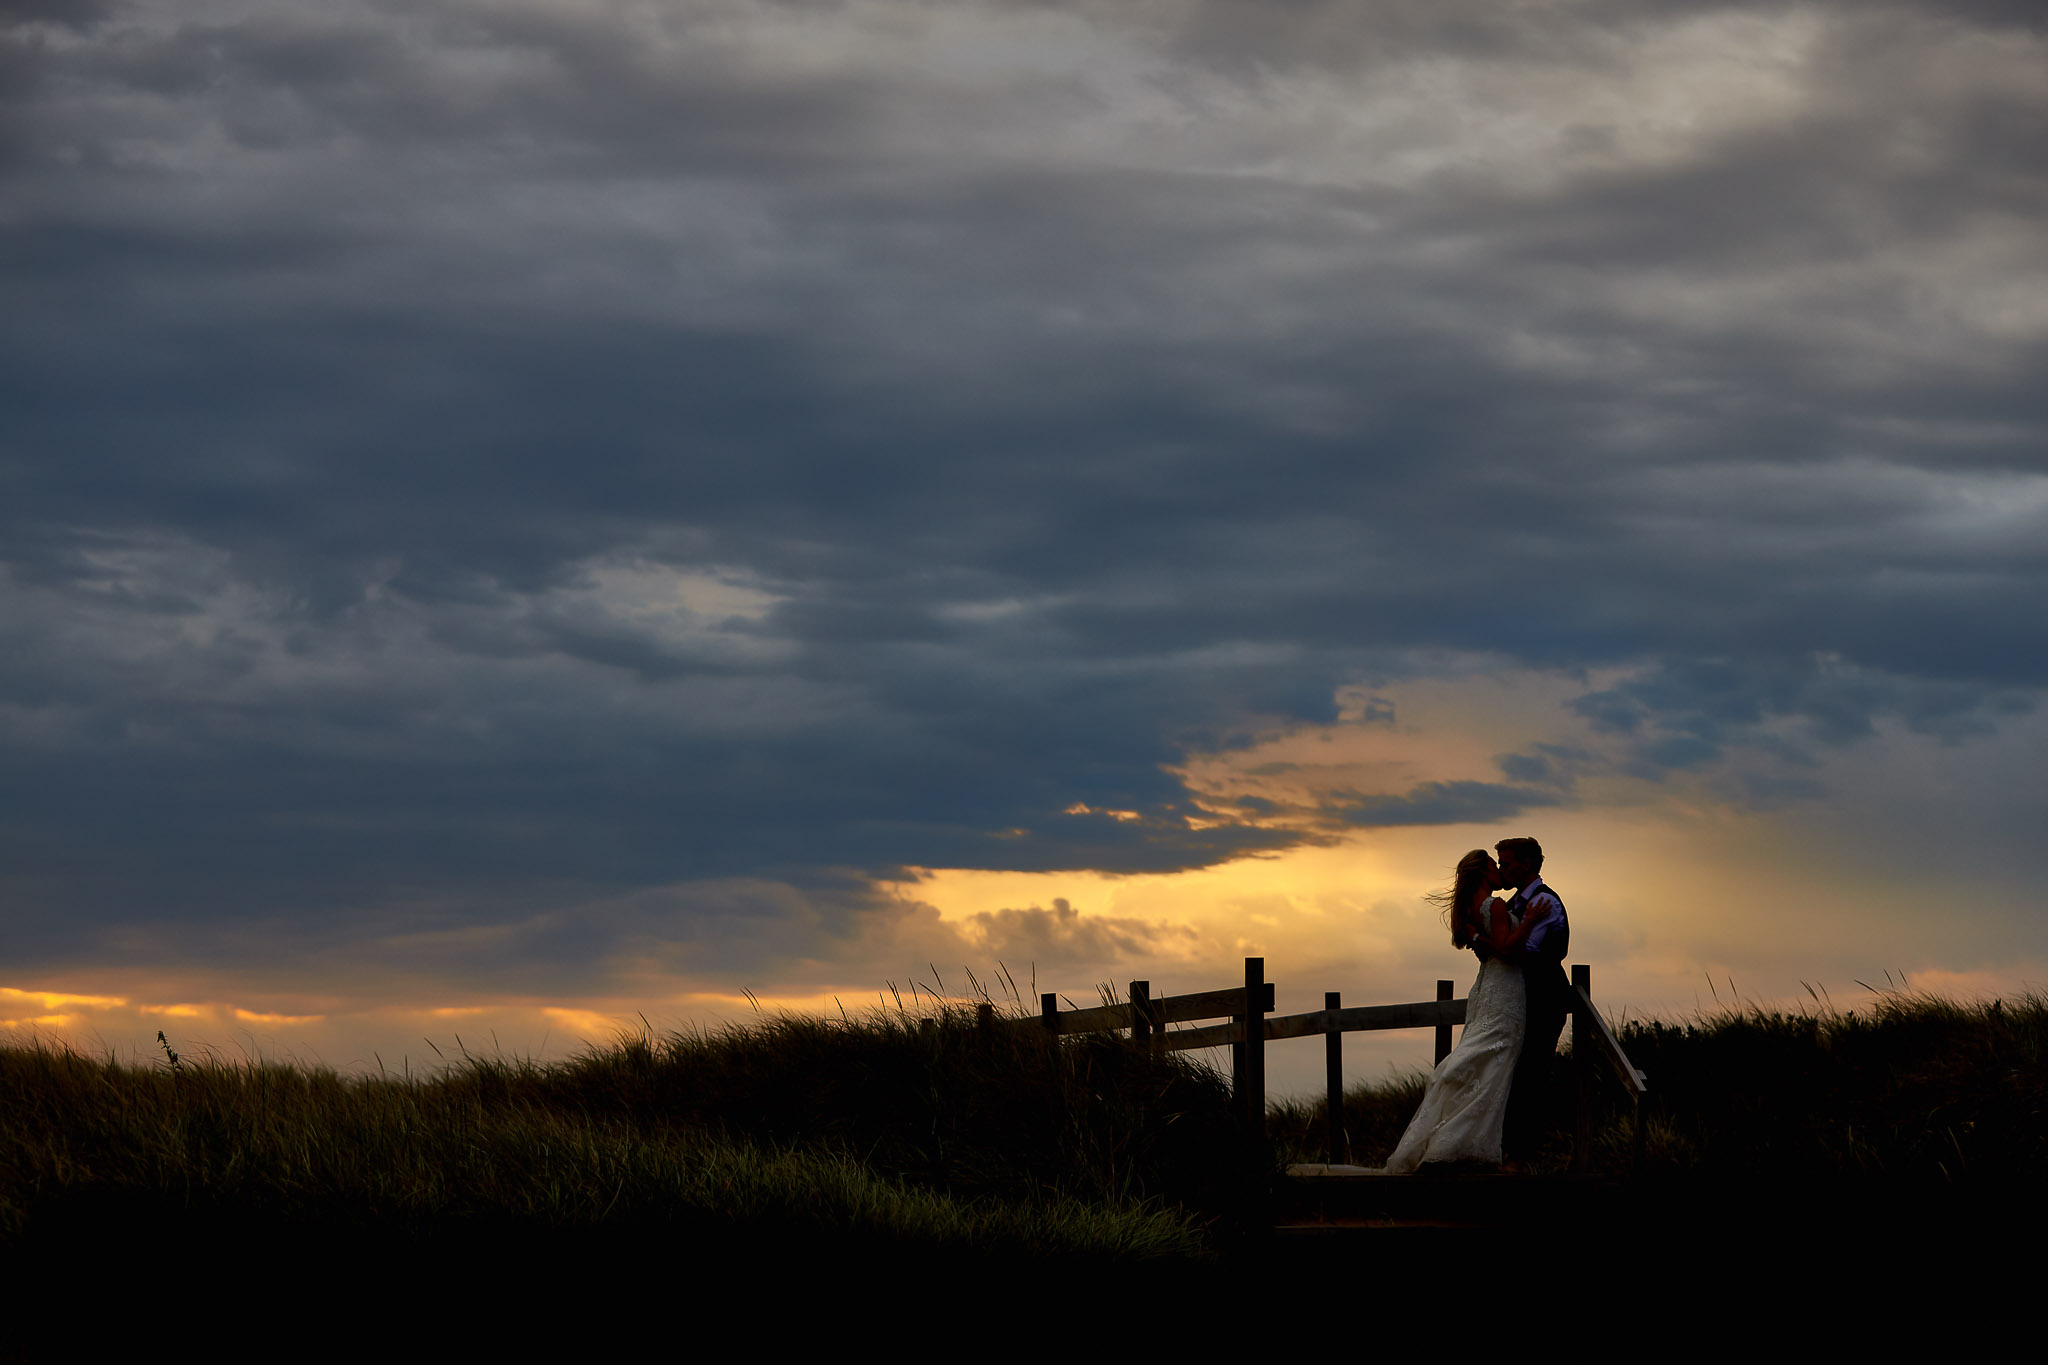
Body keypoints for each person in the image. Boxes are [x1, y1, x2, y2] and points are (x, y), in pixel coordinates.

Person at [1377, 849, 1527, 1172]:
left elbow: (1486, 946)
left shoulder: (1470, 911)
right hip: (1504, 989)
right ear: (1483, 872)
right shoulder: (1495, 905)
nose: (1499, 870)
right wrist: (1531, 924)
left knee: (1485, 1058)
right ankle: (1462, 1143)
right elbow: (1505, 949)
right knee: (1496, 1060)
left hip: (1486, 987)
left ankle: (1466, 1140)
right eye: (1494, 865)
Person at [1494, 836, 1569, 1162]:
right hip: (1519, 1002)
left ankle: (1523, 1155)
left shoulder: (1545, 902)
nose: (1502, 870)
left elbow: (1525, 953)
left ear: (1526, 865)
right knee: (1513, 1074)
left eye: (1506, 863)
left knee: (1531, 1075)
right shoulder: (1514, 904)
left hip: (1544, 1001)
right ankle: (1507, 1150)